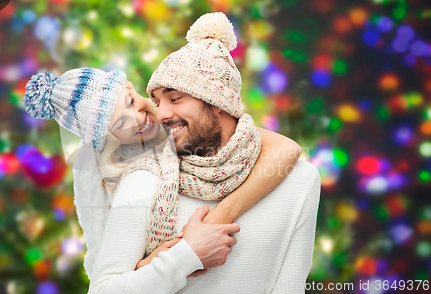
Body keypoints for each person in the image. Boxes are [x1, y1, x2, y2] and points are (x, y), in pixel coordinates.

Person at [87, 12, 321, 294]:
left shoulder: (299, 179)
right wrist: (185, 256)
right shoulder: (144, 181)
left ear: (217, 101)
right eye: (157, 102)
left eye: (175, 98)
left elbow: (290, 287)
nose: (161, 114)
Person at [23, 66, 303, 281]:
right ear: (107, 139)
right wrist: (164, 259)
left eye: (130, 101)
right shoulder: (126, 178)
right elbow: (111, 269)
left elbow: (286, 148)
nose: (137, 117)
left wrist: (220, 217)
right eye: (120, 122)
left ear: (132, 88)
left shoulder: (175, 118)